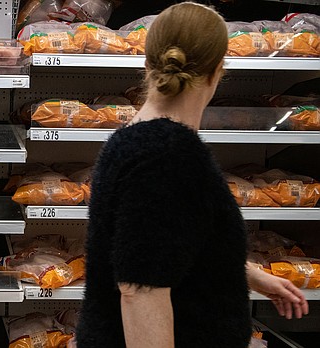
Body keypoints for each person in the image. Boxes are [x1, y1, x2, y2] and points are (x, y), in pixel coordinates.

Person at [76, 2, 309, 348]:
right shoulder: (166, 157)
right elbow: (141, 291)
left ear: (147, 63)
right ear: (218, 70)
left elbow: (168, 245)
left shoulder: (143, 141)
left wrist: (247, 274)